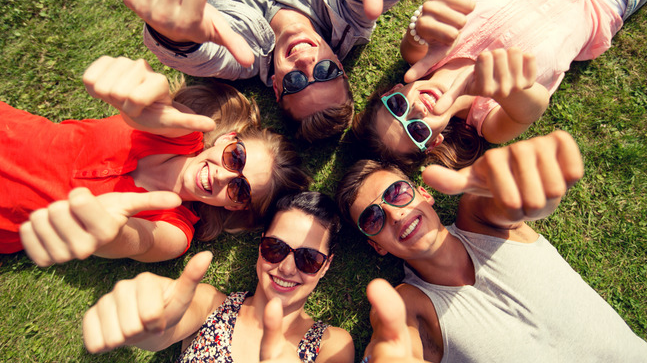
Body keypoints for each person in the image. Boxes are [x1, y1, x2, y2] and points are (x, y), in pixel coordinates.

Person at [335, 131, 647, 361]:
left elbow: (511, 202)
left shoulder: (480, 219)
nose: (394, 213)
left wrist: (530, 191)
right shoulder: (408, 304)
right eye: (373, 218)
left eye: (397, 193)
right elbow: (396, 342)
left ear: (424, 195)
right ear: (377, 246)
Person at [1, 56, 310, 267]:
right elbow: (157, 112)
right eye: (236, 158)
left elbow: (141, 242)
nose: (223, 176)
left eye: (240, 190)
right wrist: (145, 94)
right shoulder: (181, 131)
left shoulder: (176, 231)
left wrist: (111, 234)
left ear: (235, 207)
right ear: (227, 140)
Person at [353, 0, 646, 171]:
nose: (417, 108)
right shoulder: (489, 121)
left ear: (393, 92)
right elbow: (535, 106)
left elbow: (422, 30)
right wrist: (506, 88)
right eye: (417, 129)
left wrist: (422, 25)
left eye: (398, 107)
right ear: (435, 142)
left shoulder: (421, 55)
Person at [82, 191, 355, 363]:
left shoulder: (332, 346)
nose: (286, 267)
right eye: (276, 247)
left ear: (326, 265)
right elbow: (162, 332)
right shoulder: (212, 304)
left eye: (308, 258)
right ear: (260, 246)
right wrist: (145, 320)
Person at [123, 0, 399, 142]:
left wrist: (176, 35)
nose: (306, 63)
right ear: (340, 66)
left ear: (277, 87)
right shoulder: (352, 18)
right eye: (325, 71)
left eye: (296, 81)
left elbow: (200, 56)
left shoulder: (241, 58)